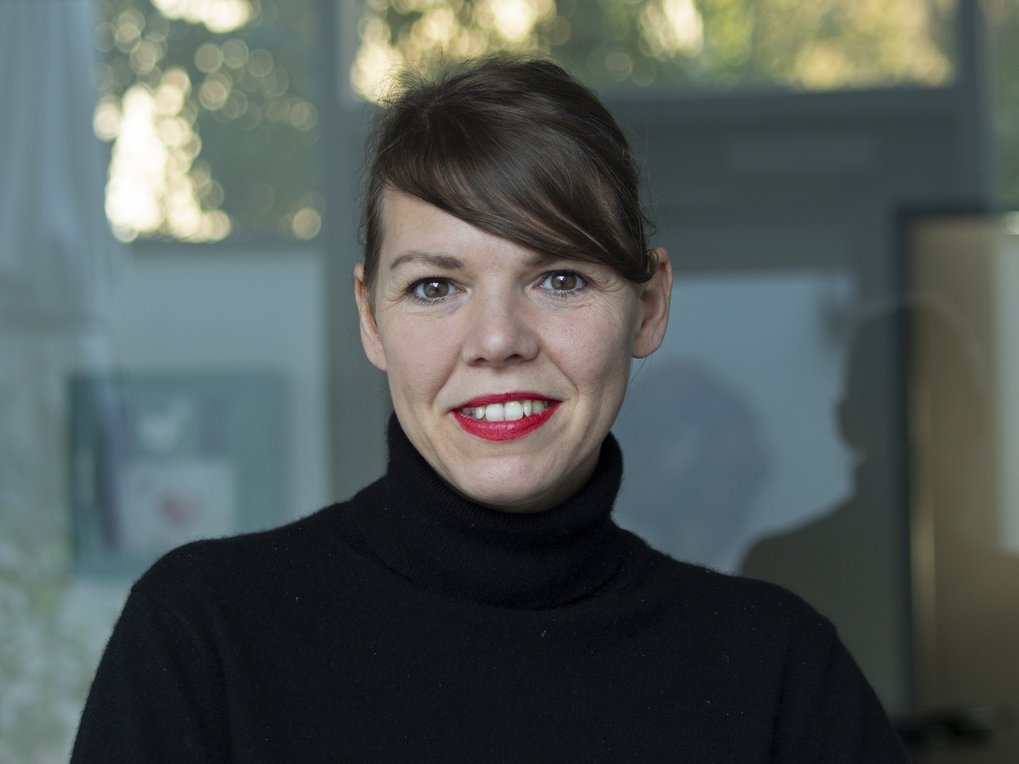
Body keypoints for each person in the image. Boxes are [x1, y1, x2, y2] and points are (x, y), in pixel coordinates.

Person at [72, 56, 908, 762]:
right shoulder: (205, 638)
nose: (498, 339)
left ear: (648, 307)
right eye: (436, 286)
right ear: (371, 317)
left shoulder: (775, 675)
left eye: (560, 279)